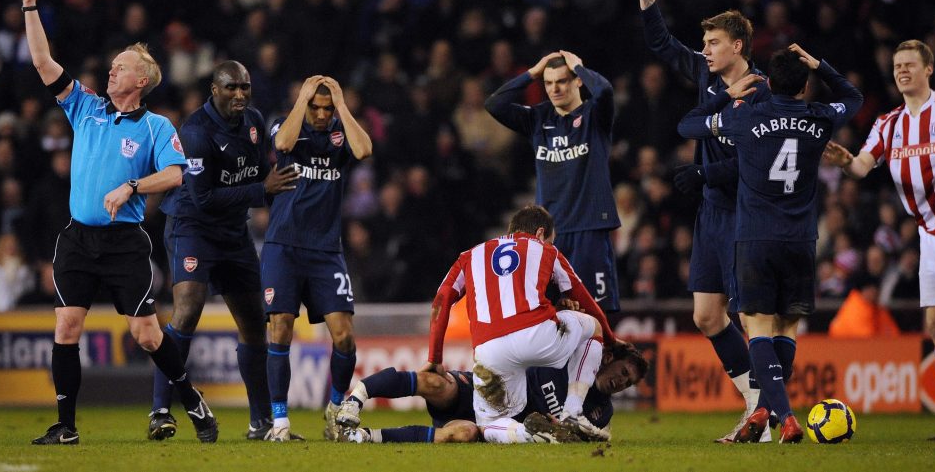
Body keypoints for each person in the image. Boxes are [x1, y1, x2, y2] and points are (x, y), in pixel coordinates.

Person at [20, 0, 217, 444]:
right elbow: (43, 61)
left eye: (121, 66)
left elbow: (177, 173)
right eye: (112, 65)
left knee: (146, 336)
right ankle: (65, 426)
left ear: (143, 78)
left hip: (125, 242)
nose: (112, 70)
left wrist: (131, 186)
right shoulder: (85, 106)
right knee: (66, 326)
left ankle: (191, 398)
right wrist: (30, 6)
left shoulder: (155, 127)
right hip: (77, 237)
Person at [677, 44, 863, 443]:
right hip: (801, 240)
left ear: (766, 83)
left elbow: (689, 126)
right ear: (805, 84)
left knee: (757, 326)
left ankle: (784, 415)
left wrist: (728, 94)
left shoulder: (746, 116)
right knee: (788, 327)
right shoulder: (820, 118)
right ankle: (763, 410)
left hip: (756, 237)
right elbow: (853, 98)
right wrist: (822, 63)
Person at [637, 0, 773, 442]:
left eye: (714, 42)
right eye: (706, 43)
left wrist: (706, 175)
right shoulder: (705, 75)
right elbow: (662, 44)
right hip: (710, 212)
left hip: (745, 212)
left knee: (747, 314)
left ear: (738, 45)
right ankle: (758, 406)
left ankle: (764, 411)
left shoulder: (761, 92)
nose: (707, 50)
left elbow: (756, 163)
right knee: (706, 315)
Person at [147, 61, 299, 441]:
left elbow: (264, 173)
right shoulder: (196, 132)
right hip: (192, 227)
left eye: (245, 87)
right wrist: (262, 191)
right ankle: (160, 411)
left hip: (232, 232)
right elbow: (201, 199)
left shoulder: (254, 123)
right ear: (214, 90)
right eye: (231, 87)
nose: (240, 94)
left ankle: (259, 422)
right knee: (187, 311)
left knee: (253, 324)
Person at [409, 205, 626, 444]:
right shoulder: (546, 251)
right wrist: (609, 337)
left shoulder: (469, 256)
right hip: (538, 336)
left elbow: (441, 301)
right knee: (593, 326)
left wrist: (435, 356)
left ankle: (528, 434)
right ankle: (573, 412)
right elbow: (584, 297)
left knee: (489, 424)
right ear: (541, 233)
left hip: (490, 349)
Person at [823, 39, 935, 441]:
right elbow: (862, 166)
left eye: (910, 64)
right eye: (897, 66)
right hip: (931, 235)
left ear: (929, 69)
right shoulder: (890, 123)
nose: (902, 71)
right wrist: (846, 162)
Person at [262, 75, 373, 442]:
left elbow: (364, 150)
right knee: (280, 327)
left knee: (344, 337)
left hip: (326, 250)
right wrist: (302, 98)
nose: (323, 114)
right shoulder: (285, 123)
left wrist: (342, 105)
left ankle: (336, 408)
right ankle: (279, 422)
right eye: (317, 107)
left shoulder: (341, 132)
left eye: (328, 108)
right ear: (305, 103)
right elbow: (282, 143)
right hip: (284, 245)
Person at [484, 51, 621, 313]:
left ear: (577, 81)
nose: (554, 89)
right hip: (548, 235)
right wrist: (531, 74)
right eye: (548, 83)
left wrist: (579, 66)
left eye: (562, 81)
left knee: (597, 310)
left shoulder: (595, 115)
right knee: (549, 310)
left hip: (589, 227)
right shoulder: (539, 118)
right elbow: (495, 105)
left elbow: (604, 91)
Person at [333, 341, 648, 444]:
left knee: (463, 433)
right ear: (607, 358)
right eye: (623, 373)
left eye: (628, 383)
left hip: (497, 424)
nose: (622, 383)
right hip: (486, 390)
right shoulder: (568, 353)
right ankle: (355, 399)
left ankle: (366, 437)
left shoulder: (601, 412)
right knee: (435, 383)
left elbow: (575, 439)